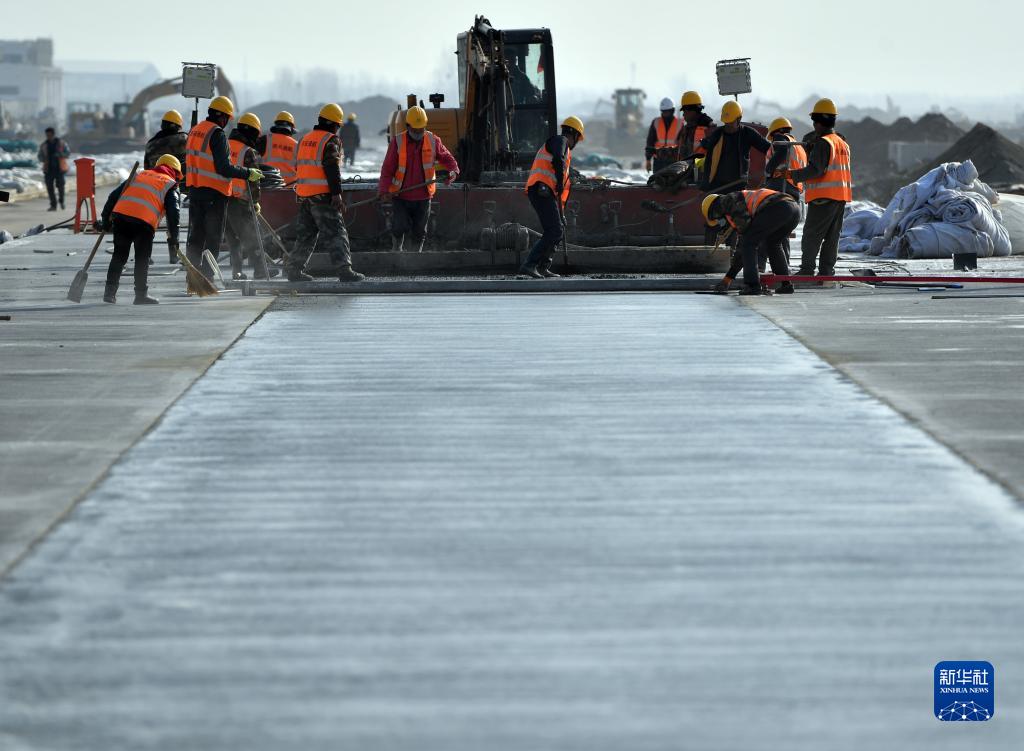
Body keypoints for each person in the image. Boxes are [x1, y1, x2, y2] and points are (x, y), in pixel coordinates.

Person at [184, 96, 262, 283]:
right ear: (223, 117)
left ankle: (192, 278)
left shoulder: (195, 131)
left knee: (196, 238)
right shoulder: (217, 134)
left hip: (195, 192)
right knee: (212, 239)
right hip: (214, 194)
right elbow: (224, 168)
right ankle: (207, 277)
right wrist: (248, 173)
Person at [286, 103, 364, 282]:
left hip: (304, 195)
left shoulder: (304, 139)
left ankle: (294, 270)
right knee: (336, 233)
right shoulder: (330, 140)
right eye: (338, 126)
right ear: (334, 124)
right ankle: (344, 270)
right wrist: (336, 194)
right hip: (323, 196)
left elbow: (298, 166)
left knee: (305, 236)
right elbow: (331, 167)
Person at [777, 98, 852, 279]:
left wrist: (790, 174)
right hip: (840, 197)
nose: (813, 125)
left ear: (818, 122)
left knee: (811, 235)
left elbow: (815, 170)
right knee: (832, 238)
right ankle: (826, 272)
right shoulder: (842, 143)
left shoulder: (823, 143)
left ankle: (807, 270)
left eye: (814, 121)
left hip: (823, 198)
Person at [99, 154, 182, 305]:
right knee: (142, 260)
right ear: (175, 172)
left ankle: (109, 294)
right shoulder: (170, 184)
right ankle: (140, 295)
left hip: (121, 218)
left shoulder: (139, 175)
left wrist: (105, 220)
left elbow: (113, 196)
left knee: (119, 256)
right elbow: (173, 212)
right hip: (144, 223)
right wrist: (174, 238)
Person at [377, 106, 459, 253]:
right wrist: (384, 190)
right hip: (401, 196)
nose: (419, 133)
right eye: (416, 130)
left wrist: (453, 170)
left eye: (422, 129)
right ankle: (397, 250)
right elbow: (387, 169)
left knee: (420, 231)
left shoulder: (433, 140)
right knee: (399, 226)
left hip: (423, 196)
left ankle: (416, 256)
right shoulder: (398, 141)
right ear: (408, 126)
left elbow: (447, 158)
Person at [519, 116, 585, 278]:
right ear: (574, 134)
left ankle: (543, 266)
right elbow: (557, 159)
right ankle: (530, 264)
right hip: (541, 190)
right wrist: (560, 181)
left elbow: (559, 168)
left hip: (545, 192)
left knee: (557, 229)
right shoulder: (560, 141)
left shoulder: (564, 150)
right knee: (554, 230)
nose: (577, 142)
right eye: (578, 138)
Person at [698, 101, 771, 244]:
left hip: (737, 187)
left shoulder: (747, 134)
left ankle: (732, 252)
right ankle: (709, 251)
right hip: (717, 187)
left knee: (735, 224)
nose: (728, 126)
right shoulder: (717, 134)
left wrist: (775, 160)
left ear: (739, 119)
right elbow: (708, 161)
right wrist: (705, 186)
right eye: (726, 123)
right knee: (712, 222)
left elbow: (767, 148)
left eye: (730, 122)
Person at [702, 188, 798, 295]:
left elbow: (744, 244)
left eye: (715, 217)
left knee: (749, 244)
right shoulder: (736, 201)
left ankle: (753, 286)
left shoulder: (729, 203)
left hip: (778, 208)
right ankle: (786, 284)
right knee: (773, 244)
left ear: (714, 209)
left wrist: (728, 278)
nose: (719, 221)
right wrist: (728, 278)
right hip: (793, 209)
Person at [224, 112, 275, 280]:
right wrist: (255, 201)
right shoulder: (247, 151)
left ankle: (237, 272)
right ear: (252, 131)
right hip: (240, 201)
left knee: (233, 240)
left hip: (223, 199)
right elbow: (254, 178)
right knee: (252, 236)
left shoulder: (224, 144)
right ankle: (261, 270)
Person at [679, 91, 715, 184]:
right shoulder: (686, 129)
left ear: (692, 111)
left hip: (702, 178)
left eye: (685, 111)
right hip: (685, 174)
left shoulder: (709, 128)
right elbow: (681, 150)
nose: (683, 114)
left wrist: (709, 144)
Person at [256, 111, 298, 183]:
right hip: (290, 187)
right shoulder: (297, 145)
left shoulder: (265, 140)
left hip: (268, 185)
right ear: (291, 129)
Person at [644, 98, 682, 173]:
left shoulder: (680, 124)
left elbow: (683, 144)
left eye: (667, 111)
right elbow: (650, 142)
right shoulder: (656, 122)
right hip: (658, 161)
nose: (665, 114)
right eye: (663, 111)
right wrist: (648, 160)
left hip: (674, 161)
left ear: (672, 110)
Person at [38, 127, 70, 211]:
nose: (48, 137)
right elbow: (40, 156)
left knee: (61, 187)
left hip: (59, 169)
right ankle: (53, 205)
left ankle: (61, 201)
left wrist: (60, 154)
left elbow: (67, 153)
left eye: (49, 135)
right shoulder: (44, 145)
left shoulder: (62, 143)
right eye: (47, 135)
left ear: (53, 134)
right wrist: (44, 159)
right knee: (50, 188)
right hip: (48, 170)